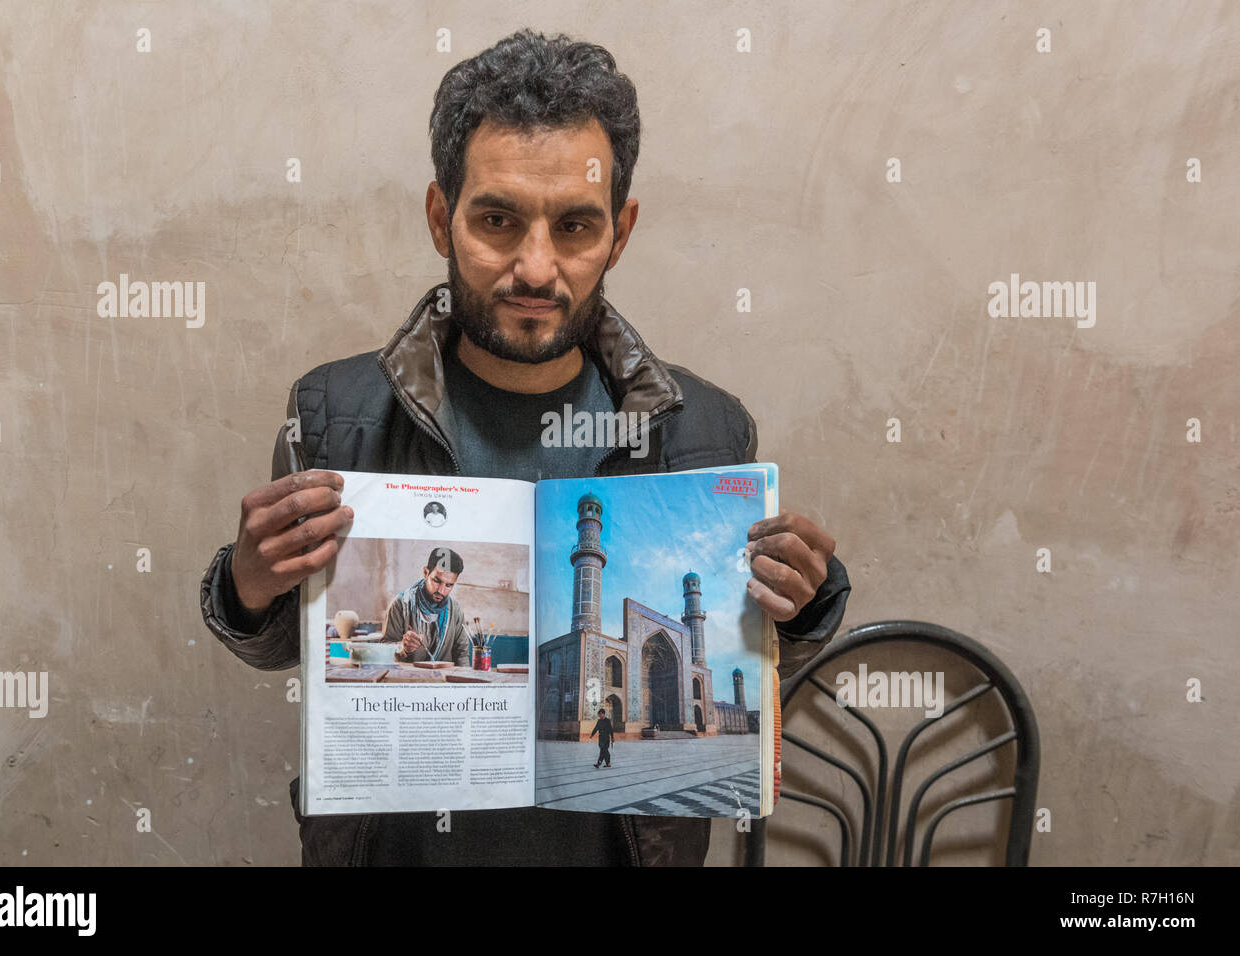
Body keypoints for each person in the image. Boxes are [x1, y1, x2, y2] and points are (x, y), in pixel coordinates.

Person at [199, 28, 851, 866]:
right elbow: (284, 643)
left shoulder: (702, 429)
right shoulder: (337, 414)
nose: (536, 269)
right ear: (442, 218)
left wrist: (804, 603)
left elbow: (749, 644)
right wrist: (248, 584)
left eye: (575, 226)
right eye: (498, 221)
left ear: (620, 232)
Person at [383, 547, 472, 666]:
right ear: (426, 572)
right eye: (436, 581)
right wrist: (402, 647)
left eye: (449, 585)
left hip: (444, 681)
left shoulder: (455, 610)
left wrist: (465, 681)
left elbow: (462, 654)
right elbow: (383, 648)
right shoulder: (401, 604)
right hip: (407, 680)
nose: (441, 591)